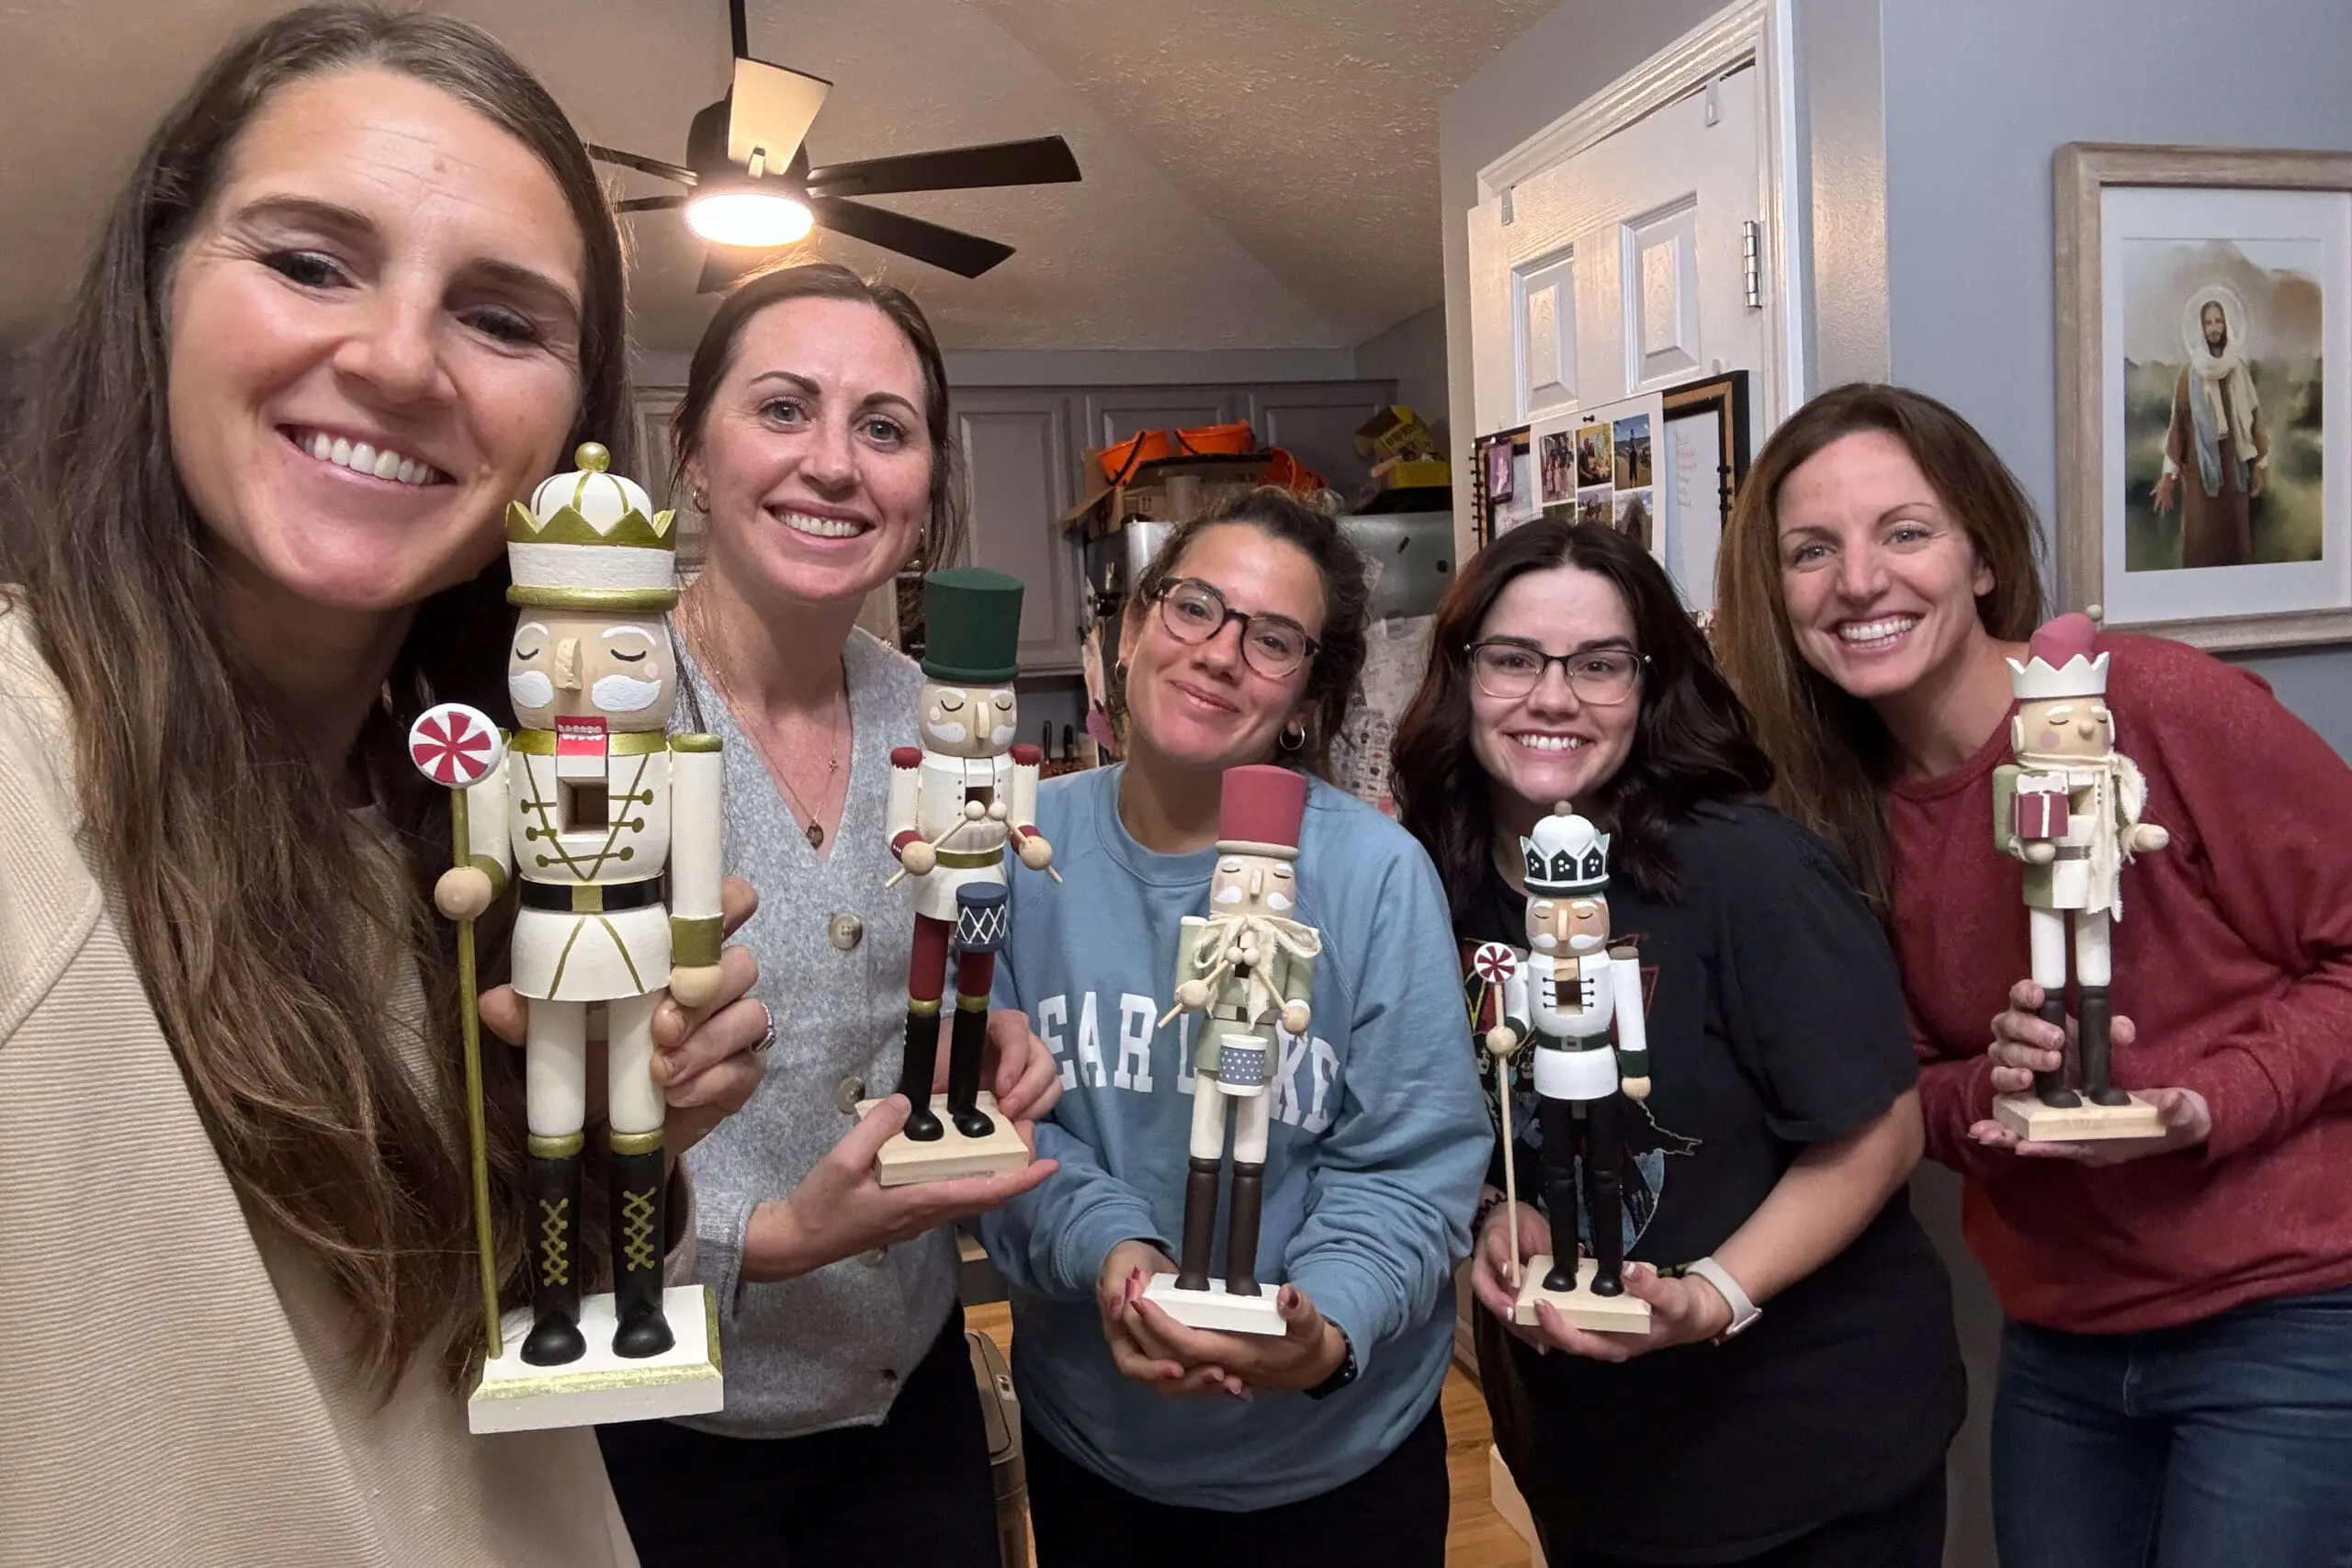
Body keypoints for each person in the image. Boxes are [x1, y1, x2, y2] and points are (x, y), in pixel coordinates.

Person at [0, 8, 768, 1564]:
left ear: (566, 424)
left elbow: (415, 1373)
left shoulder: (406, 824)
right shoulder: (23, 779)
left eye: (502, 318)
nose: (398, 358)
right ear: (153, 292)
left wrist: (639, 1130)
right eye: (308, 261)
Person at [1711, 381, 2352, 1567]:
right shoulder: (1819, 817)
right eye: (1813, 549)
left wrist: (2212, 1099)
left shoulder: (2150, 706)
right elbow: (1899, 1088)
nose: (1860, 581)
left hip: (2293, 1312)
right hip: (2062, 1337)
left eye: (1904, 530)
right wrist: (1985, 1088)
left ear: (1983, 557)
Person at [594, 262, 1064, 1568]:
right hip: (662, 1418)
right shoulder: (598, 719)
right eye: (785, 408)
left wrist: (988, 1032)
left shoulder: (937, 716)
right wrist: (768, 1239)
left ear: (925, 491)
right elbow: (508, 1110)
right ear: (692, 452)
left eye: (884, 426)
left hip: (903, 1392)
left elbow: (911, 978)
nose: (835, 465)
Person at [1392, 516, 1964, 1568]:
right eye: (1513, 660)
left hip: (1801, 1446)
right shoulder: (1431, 880)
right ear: (1462, 675)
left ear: (1649, 685)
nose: (1552, 697)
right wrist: (1488, 1213)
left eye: (1598, 665)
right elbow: (1443, 1109)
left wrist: (1712, 1295)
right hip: (1588, 1448)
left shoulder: (1748, 870)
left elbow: (1880, 1131)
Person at [978, 489, 1489, 1568]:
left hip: (1337, 1464)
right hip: (1099, 1458)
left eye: (1271, 640)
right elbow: (1002, 1130)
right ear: (1127, 633)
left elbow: (1411, 1164)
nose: (1219, 654)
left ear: (1307, 696)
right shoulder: (1025, 853)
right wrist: (1116, 1256)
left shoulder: (1372, 875)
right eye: (1193, 607)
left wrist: (1324, 1330)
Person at [2152, 290, 2269, 569]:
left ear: (2227, 325)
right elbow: (2178, 426)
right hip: (2199, 476)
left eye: (2219, 321)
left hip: (2234, 472)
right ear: (2201, 328)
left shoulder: (2238, 370)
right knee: (2201, 546)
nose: (2214, 328)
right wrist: (2168, 476)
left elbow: (2254, 421)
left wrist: (2260, 467)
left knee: (2235, 547)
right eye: (2208, 322)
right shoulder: (2188, 375)